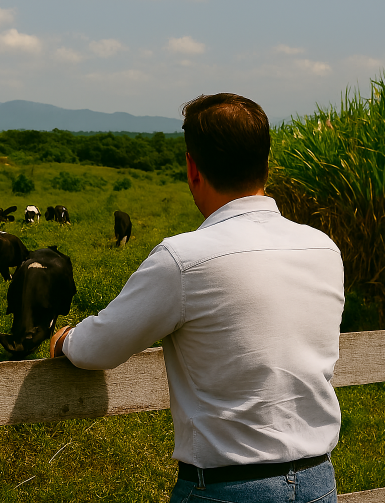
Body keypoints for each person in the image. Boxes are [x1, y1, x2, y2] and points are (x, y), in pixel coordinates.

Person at [50, 93, 344, 502]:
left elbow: (97, 349)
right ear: (267, 164)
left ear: (192, 169)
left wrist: (64, 337)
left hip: (227, 490)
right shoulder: (323, 248)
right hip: (318, 482)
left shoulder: (183, 259)